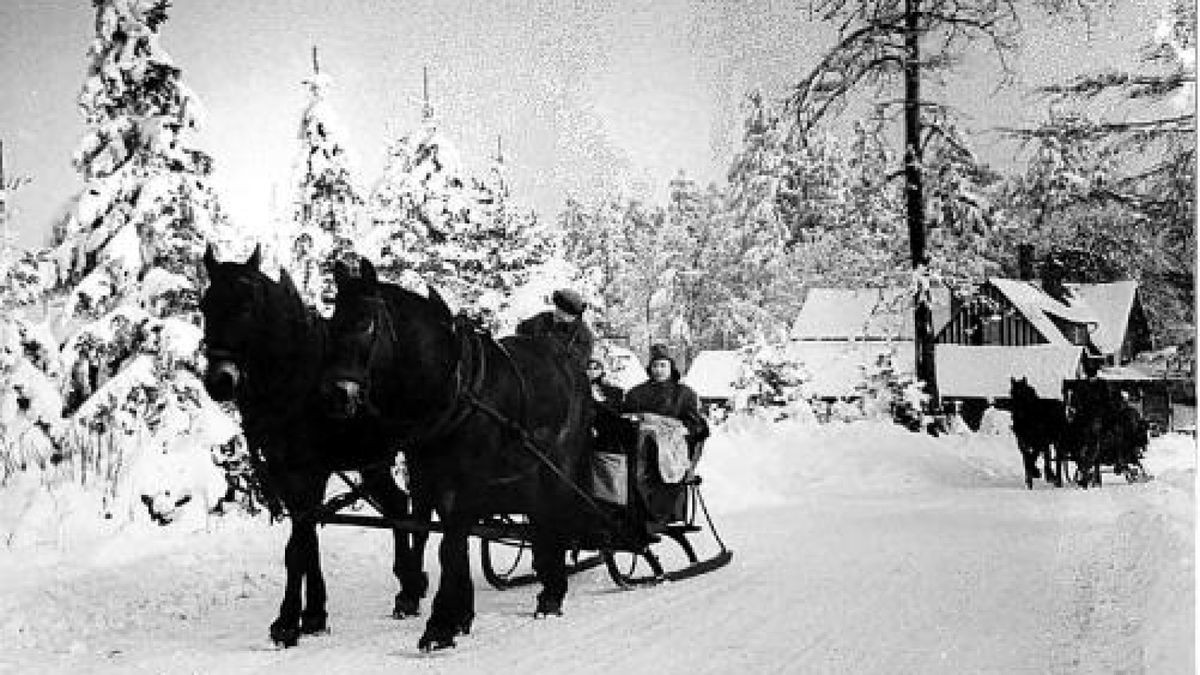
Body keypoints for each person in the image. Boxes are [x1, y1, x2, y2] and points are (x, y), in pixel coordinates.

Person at [623, 344, 709, 452]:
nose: (658, 370)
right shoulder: (635, 393)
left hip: (674, 452)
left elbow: (697, 425)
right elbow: (625, 421)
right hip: (643, 453)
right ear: (650, 368)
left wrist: (685, 430)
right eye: (655, 365)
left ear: (671, 368)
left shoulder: (684, 393)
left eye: (663, 365)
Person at [515, 289, 595, 369]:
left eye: (561, 316)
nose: (556, 317)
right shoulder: (544, 318)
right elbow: (521, 330)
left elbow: (577, 365)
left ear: (574, 315)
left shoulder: (583, 336)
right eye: (557, 310)